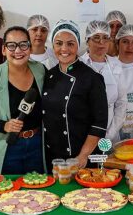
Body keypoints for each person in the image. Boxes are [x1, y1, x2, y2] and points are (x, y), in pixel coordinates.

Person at [0, 26, 46, 174]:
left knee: (37, 192)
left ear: (30, 48)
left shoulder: (41, 71)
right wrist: (4, 125)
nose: (18, 51)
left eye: (23, 45)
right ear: (3, 50)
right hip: (7, 146)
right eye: (12, 46)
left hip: (37, 145)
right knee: (7, 193)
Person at [41, 20, 108, 169]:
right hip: (52, 157)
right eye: (59, 43)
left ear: (78, 46)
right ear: (53, 46)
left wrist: (83, 156)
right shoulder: (48, 75)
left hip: (81, 158)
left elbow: (99, 124)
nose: (64, 49)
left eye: (70, 44)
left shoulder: (92, 78)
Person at [79, 20, 127, 143]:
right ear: (87, 40)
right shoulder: (79, 65)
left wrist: (109, 134)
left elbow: (121, 103)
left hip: (111, 135)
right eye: (96, 38)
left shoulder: (115, 64)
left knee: (110, 162)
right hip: (84, 135)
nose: (101, 42)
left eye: (106, 38)